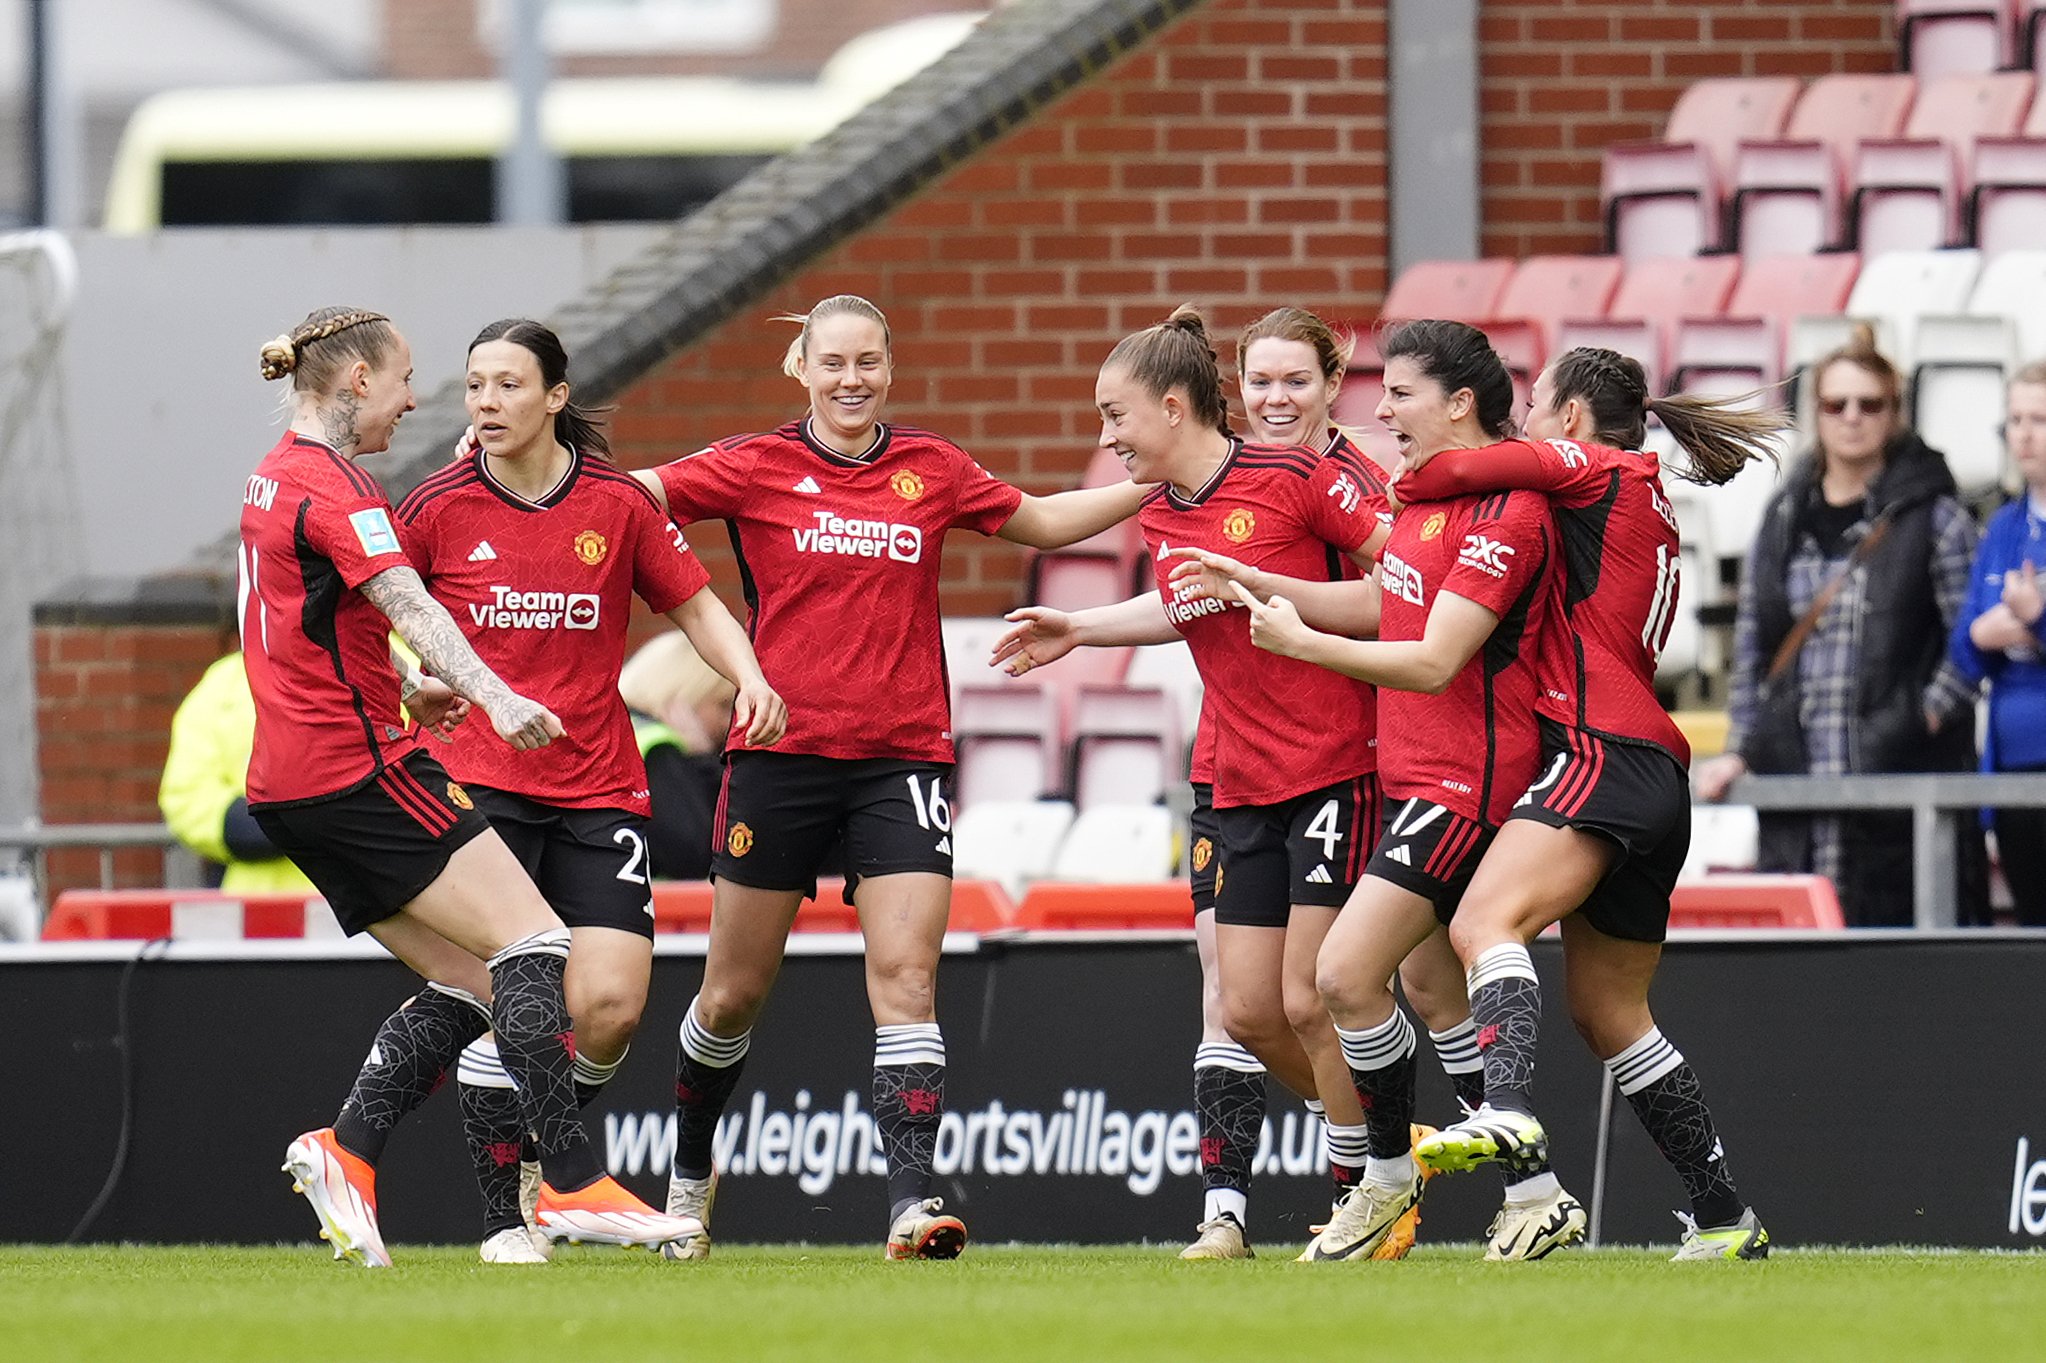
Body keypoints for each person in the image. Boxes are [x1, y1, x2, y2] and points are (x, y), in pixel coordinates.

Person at [633, 293, 1152, 1259]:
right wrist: (517, 475)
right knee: (732, 994)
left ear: (889, 366)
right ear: (803, 370)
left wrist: (1156, 483)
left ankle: (910, 1204)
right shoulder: (753, 463)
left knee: (908, 979)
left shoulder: (933, 466)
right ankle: (688, 1182)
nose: (851, 379)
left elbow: (1040, 521)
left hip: (903, 756)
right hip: (779, 758)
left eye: (868, 360)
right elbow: (631, 497)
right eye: (832, 362)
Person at [991, 306, 1494, 1261]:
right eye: (1259, 380)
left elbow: (1405, 590)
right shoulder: (1160, 505)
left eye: (1115, 416)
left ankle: (1383, 1183)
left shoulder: (1304, 476)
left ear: (1172, 408)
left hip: (1336, 765)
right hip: (1238, 778)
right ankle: (1386, 1150)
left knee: (1328, 995)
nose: (1105, 437)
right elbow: (1188, 598)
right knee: (1253, 1009)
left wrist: (1276, 602)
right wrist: (1082, 628)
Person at [243, 306, 701, 1267]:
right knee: (536, 940)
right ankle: (571, 1185)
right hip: (358, 767)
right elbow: (408, 601)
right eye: (408, 377)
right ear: (358, 379)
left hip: (289, 781)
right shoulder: (339, 487)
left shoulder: (271, 478)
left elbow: (305, 624)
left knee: (473, 979)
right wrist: (494, 695)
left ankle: (347, 1151)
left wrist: (407, 682)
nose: (420, 399)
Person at [1170, 319, 1573, 1261]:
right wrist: (1243, 582)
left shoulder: (1398, 491)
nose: (1278, 399)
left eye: (1299, 381)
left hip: (1382, 766)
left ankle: (1379, 1176)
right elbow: (1382, 597)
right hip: (1295, 768)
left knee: (1347, 985)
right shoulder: (1420, 498)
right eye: (1258, 380)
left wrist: (1297, 635)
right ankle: (1500, 1181)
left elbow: (1428, 644)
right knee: (1293, 998)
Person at [395, 318, 784, 1264]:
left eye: (508, 386)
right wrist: (415, 680)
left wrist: (753, 677)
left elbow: (694, 602)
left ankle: (536, 1158)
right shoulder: (437, 504)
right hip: (480, 786)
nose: (486, 403)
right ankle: (507, 1216)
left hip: (598, 784)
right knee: (505, 999)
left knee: (608, 1005)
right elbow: (380, 612)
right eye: (474, 385)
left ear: (556, 398)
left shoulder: (614, 503)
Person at [1383, 347, 1784, 1261]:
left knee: (1485, 922)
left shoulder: (1596, 466)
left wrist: (1412, 478)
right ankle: (1725, 1218)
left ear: (1569, 418)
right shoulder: (1643, 494)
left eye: (1531, 406)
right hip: (1656, 770)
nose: (1521, 420)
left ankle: (1510, 1114)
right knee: (1610, 1012)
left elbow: (1463, 466)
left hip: (1601, 750)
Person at [1696, 326, 1985, 927]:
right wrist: (1743, 748)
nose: (1852, 418)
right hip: (1797, 787)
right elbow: (1754, 650)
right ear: (1816, 414)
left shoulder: (1939, 520)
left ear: (1894, 415)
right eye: (1835, 404)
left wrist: (1921, 715)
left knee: (1902, 975)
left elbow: (1969, 645)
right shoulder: (1780, 520)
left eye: (1870, 404)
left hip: (1900, 790)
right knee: (1806, 981)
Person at [1949, 361, 2046, 926]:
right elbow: (1963, 649)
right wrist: (1986, 635)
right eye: (2015, 419)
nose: (2025, 433)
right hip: (2012, 765)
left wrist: (2037, 622)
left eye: (2040, 418)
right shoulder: (2002, 526)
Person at [159, 649, 316, 893]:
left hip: (375, 909)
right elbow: (186, 796)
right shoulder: (227, 681)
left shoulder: (388, 656)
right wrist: (261, 825)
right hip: (257, 908)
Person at [618, 631, 739, 881]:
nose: (729, 722)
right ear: (685, 694)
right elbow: (693, 855)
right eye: (723, 705)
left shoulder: (621, 731)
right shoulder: (658, 747)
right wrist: (703, 763)